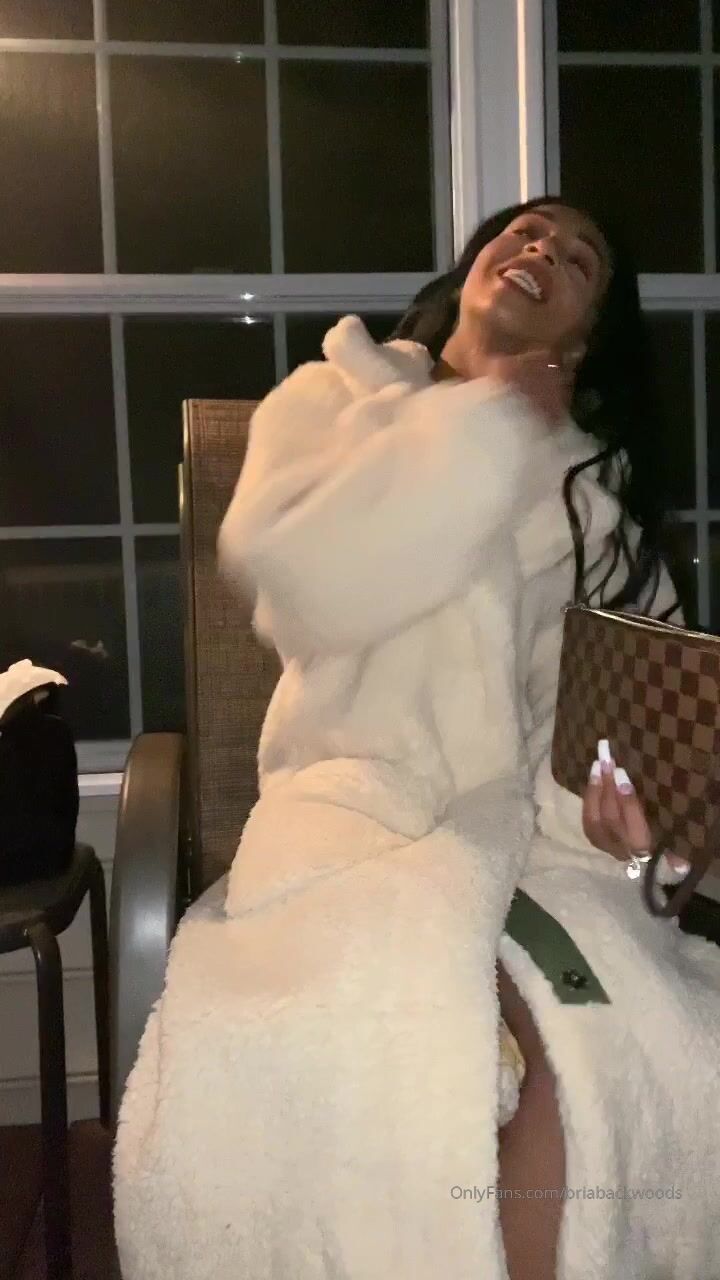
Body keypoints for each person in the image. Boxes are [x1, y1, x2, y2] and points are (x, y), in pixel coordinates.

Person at [114, 200, 720, 1280]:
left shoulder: (598, 508)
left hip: (536, 845)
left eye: (578, 258)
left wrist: (622, 809)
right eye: (524, 233)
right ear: (477, 262)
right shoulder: (336, 400)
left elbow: (614, 718)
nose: (541, 249)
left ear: (586, 338)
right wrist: (486, 426)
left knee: (577, 1070)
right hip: (351, 813)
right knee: (406, 1070)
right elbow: (304, 583)